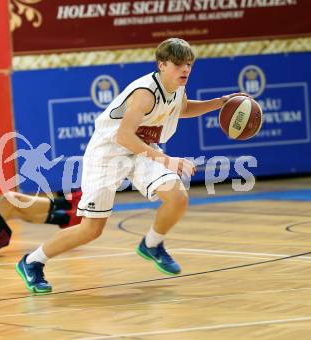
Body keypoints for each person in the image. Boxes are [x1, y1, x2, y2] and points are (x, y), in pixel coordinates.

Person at [16, 37, 247, 293]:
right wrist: (167, 160)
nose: (185, 70)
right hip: (109, 154)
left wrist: (220, 103)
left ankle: (152, 244)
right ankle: (32, 261)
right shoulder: (145, 93)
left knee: (177, 197)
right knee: (91, 230)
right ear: (162, 65)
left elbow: (181, 109)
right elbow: (123, 136)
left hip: (140, 151)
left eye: (189, 64)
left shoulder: (177, 88)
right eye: (179, 64)